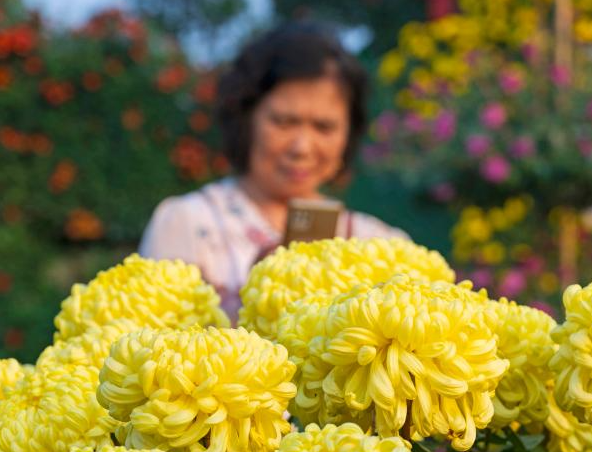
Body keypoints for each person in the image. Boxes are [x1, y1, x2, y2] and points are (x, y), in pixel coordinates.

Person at [139, 22, 408, 320]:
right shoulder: (186, 224)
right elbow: (154, 347)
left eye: (324, 127)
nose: (302, 147)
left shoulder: (382, 244)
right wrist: (257, 298)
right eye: (284, 122)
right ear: (246, 118)